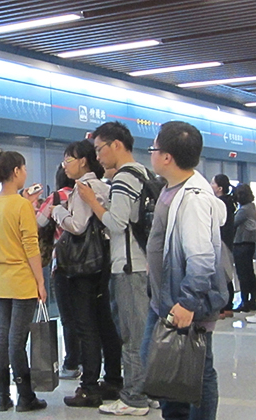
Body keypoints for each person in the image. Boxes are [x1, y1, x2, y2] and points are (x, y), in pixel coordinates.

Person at [141, 121, 227, 420]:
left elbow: (202, 257)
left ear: (166, 157)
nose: (150, 154)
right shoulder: (172, 189)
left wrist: (188, 301)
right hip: (165, 297)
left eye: (153, 148)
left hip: (184, 301)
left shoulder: (193, 198)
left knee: (198, 371)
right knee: (166, 369)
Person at [78, 121, 150, 415]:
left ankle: (134, 398)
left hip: (129, 266)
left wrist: (93, 202)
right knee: (142, 333)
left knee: (132, 336)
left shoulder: (123, 178)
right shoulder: (143, 173)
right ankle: (146, 390)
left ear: (116, 145)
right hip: (144, 264)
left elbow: (117, 223)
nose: (98, 157)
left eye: (99, 149)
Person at [51, 140, 123, 408]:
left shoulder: (84, 188)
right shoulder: (104, 186)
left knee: (86, 326)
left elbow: (78, 226)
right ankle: (113, 378)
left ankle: (89, 386)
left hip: (82, 267)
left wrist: (57, 211)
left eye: (68, 159)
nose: (65, 165)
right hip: (101, 264)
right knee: (104, 322)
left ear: (83, 160)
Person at [0, 151, 47, 413]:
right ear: (17, 171)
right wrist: (40, 282)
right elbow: (30, 246)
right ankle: (24, 395)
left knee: (2, 335)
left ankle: (1, 396)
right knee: (17, 338)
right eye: (25, 168)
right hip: (21, 278)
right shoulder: (20, 205)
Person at [37, 166, 80, 380]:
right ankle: (90, 361)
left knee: (68, 316)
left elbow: (39, 222)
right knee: (87, 316)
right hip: (90, 263)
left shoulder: (56, 197)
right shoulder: (87, 192)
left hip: (63, 263)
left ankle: (71, 363)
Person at [210, 174, 236, 318]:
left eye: (213, 183)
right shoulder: (229, 202)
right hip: (226, 241)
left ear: (219, 188)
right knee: (226, 274)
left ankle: (224, 306)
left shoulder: (221, 203)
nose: (210, 185)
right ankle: (227, 306)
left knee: (222, 274)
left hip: (222, 242)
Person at [232, 183, 256, 313]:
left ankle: (245, 301)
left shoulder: (244, 210)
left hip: (242, 245)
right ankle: (252, 300)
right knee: (249, 274)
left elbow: (232, 223)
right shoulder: (251, 207)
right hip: (249, 245)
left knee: (243, 274)